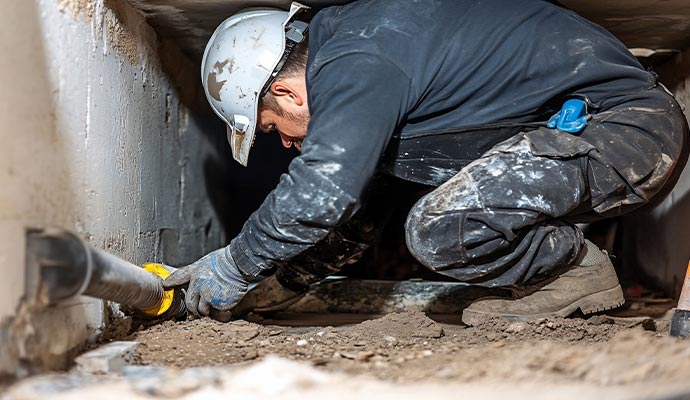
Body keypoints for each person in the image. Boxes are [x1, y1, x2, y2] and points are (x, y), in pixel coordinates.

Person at [163, 0, 689, 324]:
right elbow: (364, 198)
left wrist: (235, 265)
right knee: (434, 212)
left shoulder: (358, 58)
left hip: (627, 134)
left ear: (286, 93)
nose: (283, 145)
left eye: (272, 128)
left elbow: (326, 188)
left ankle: (573, 273)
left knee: (443, 227)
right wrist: (291, 280)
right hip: (599, 139)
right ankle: (564, 269)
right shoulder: (360, 57)